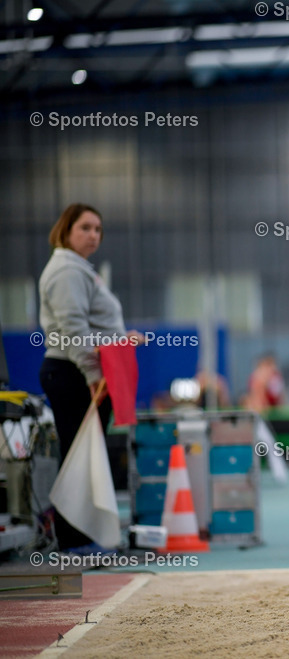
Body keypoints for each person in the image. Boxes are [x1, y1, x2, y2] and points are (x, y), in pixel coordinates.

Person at [38, 203, 131, 552]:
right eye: (85, 228)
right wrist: (92, 372)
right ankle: (74, 538)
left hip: (82, 371)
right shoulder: (66, 270)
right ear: (66, 230)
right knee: (79, 457)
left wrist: (122, 340)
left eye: (98, 229)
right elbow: (73, 328)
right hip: (74, 372)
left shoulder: (78, 269)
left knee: (88, 455)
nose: (93, 235)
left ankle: (84, 534)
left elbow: (90, 326)